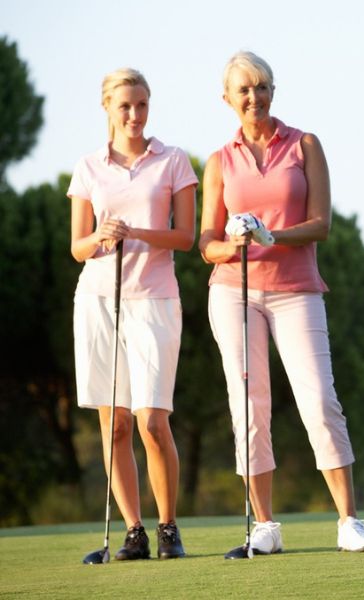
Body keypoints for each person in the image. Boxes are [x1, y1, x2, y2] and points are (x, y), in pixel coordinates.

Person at [199, 51, 364, 555]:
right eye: (243, 90)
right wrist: (233, 240)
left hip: (296, 290)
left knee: (320, 400)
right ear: (227, 100)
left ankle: (349, 521)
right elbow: (205, 243)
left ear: (273, 91)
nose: (252, 97)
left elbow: (321, 223)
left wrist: (270, 233)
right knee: (249, 407)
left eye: (261, 87)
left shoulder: (304, 145)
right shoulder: (219, 161)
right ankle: (265, 526)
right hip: (232, 291)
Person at [69, 68, 197, 560]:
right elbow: (77, 247)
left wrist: (140, 233)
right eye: (125, 106)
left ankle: (168, 527)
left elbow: (184, 237)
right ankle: (133, 531)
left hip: (155, 299)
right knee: (115, 423)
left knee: (152, 421)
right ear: (107, 108)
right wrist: (101, 237)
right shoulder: (88, 167)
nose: (135, 115)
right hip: (99, 300)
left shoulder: (174, 161)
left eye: (142, 105)